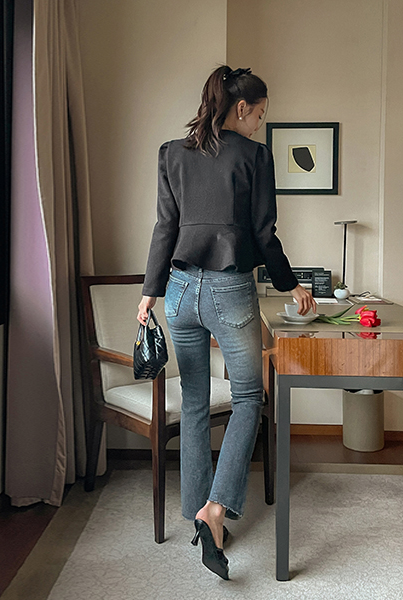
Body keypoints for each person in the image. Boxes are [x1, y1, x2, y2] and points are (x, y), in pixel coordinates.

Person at [137, 65, 316, 579]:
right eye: (260, 114)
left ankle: (198, 511)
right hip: (229, 290)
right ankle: (215, 510)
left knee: (194, 402)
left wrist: (149, 293)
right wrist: (290, 284)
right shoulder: (255, 156)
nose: (260, 124)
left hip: (178, 291)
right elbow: (264, 232)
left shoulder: (172, 153)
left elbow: (165, 226)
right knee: (248, 398)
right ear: (241, 108)